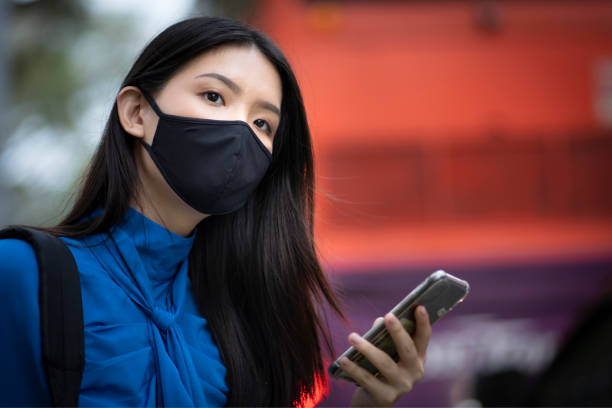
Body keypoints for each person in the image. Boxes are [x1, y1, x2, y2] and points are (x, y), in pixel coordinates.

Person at [0, 16, 431, 407]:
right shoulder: (22, 274)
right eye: (214, 96)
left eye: (263, 124)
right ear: (136, 113)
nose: (240, 130)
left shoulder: (247, 315)